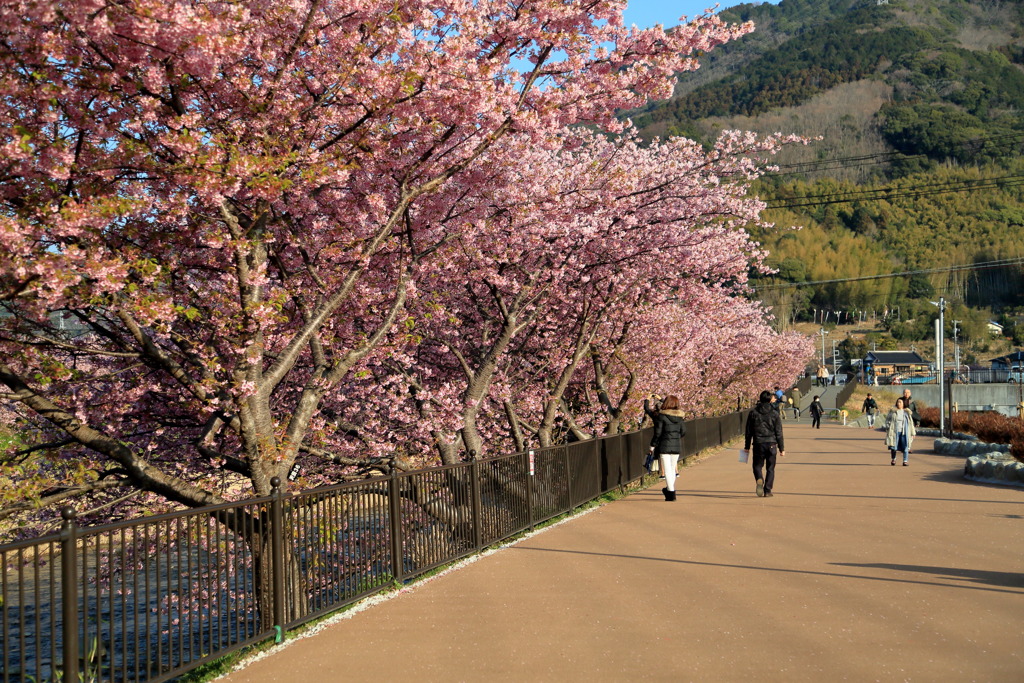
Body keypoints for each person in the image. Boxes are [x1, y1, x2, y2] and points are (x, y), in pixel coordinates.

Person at [743, 390, 785, 498]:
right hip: (771, 443)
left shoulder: (753, 413)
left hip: (758, 443)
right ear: (770, 399)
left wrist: (747, 446)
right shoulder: (774, 413)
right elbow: (779, 432)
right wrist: (782, 448)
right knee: (770, 468)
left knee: (757, 466)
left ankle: (759, 479)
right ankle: (767, 490)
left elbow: (748, 431)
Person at [650, 395, 686, 501]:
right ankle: (669, 490)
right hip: (676, 446)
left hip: (664, 446)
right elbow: (683, 431)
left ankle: (671, 493)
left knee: (667, 470)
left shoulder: (662, 416)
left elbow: (657, 433)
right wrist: (675, 437)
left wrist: (652, 445)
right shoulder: (680, 417)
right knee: (672, 468)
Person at [885, 397, 916, 466]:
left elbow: (911, 423)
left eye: (900, 402)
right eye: (898, 402)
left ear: (903, 404)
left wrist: (913, 433)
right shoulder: (893, 412)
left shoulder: (906, 412)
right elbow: (887, 420)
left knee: (906, 446)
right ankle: (893, 459)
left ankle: (905, 461)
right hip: (894, 432)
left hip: (904, 432)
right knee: (893, 446)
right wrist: (888, 427)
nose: (898, 403)